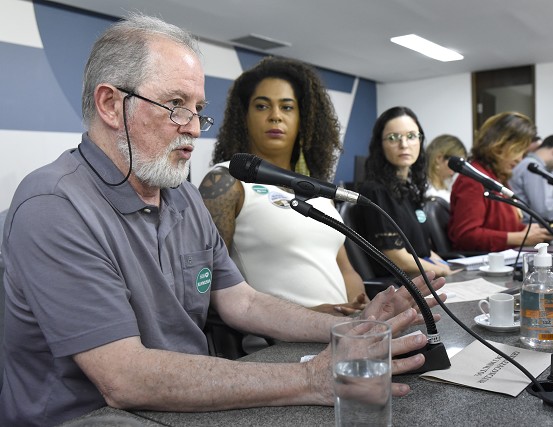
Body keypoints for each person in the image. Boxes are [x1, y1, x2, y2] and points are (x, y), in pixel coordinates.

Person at [0, 14, 443, 426]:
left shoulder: (181, 197)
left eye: (198, 109)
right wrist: (311, 379)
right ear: (111, 105)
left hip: (183, 403)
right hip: (92, 417)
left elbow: (242, 302)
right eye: (176, 104)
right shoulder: (53, 205)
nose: (194, 128)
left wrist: (350, 329)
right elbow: (123, 377)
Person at [198, 57, 367, 315]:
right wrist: (314, 315)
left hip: (344, 333)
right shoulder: (225, 180)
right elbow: (206, 284)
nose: (275, 116)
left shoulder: (319, 192)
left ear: (304, 119)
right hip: (278, 343)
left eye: (287, 107)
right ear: (244, 116)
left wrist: (361, 308)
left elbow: (346, 269)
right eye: (262, 106)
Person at [356, 106, 452, 278]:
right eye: (393, 138)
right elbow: (398, 259)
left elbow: (424, 251)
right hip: (400, 288)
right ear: (380, 145)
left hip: (422, 278)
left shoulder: (410, 189)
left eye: (411, 136)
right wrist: (443, 271)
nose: (404, 145)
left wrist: (446, 267)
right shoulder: (376, 191)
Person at [448, 111, 553, 252]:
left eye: (523, 152)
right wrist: (520, 238)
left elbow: (499, 226)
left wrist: (525, 230)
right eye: (517, 150)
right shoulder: (473, 180)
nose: (519, 159)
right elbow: (466, 236)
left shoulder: (497, 176)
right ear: (497, 144)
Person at [509, 134, 553, 223]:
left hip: (542, 225)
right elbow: (545, 210)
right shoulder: (532, 167)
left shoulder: (547, 168)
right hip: (532, 228)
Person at [424, 134, 468, 203]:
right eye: (455, 164)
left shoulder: (444, 191)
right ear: (439, 158)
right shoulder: (426, 191)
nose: (457, 171)